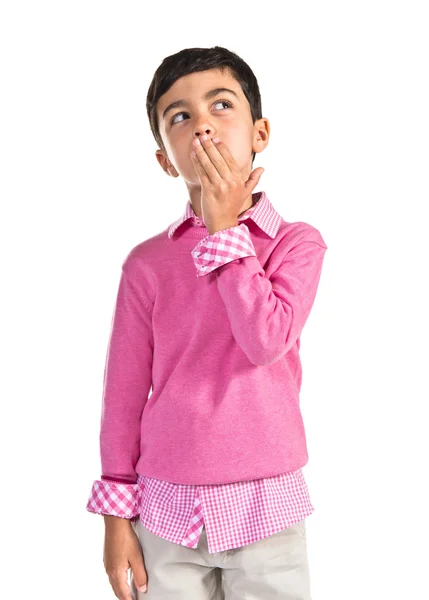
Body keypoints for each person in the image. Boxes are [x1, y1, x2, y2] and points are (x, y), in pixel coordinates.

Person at [86, 45, 328, 600]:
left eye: (221, 105)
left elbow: (264, 339)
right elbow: (122, 396)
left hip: (267, 506)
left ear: (259, 132)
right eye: (180, 116)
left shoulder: (296, 244)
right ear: (166, 160)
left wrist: (225, 231)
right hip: (165, 508)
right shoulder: (146, 263)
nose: (202, 127)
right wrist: (115, 519)